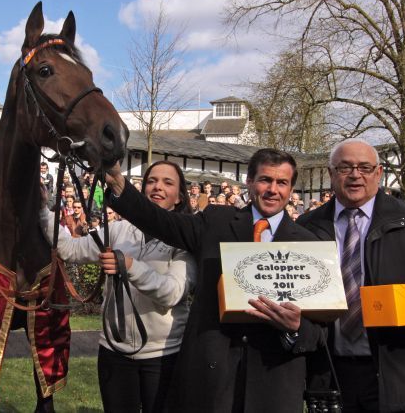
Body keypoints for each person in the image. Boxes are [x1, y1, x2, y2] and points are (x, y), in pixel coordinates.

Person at [105, 148, 324, 412]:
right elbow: (161, 221)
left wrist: (296, 328)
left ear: (291, 189)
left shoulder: (308, 244)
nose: (272, 189)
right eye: (265, 180)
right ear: (250, 182)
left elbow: (322, 330)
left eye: (282, 183)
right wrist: (119, 182)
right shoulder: (215, 221)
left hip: (272, 383)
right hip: (212, 379)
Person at [40, 160, 196, 413]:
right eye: (152, 181)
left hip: (164, 355)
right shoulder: (119, 230)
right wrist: (41, 209)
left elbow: (172, 293)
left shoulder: (184, 238)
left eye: (168, 183)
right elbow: (69, 249)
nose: (158, 187)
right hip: (114, 352)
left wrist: (130, 266)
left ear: (179, 197)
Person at [297, 139, 405, 412]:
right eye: (345, 168)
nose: (356, 175)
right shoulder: (306, 227)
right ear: (330, 174)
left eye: (364, 167)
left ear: (378, 173)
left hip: (402, 374)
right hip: (331, 377)